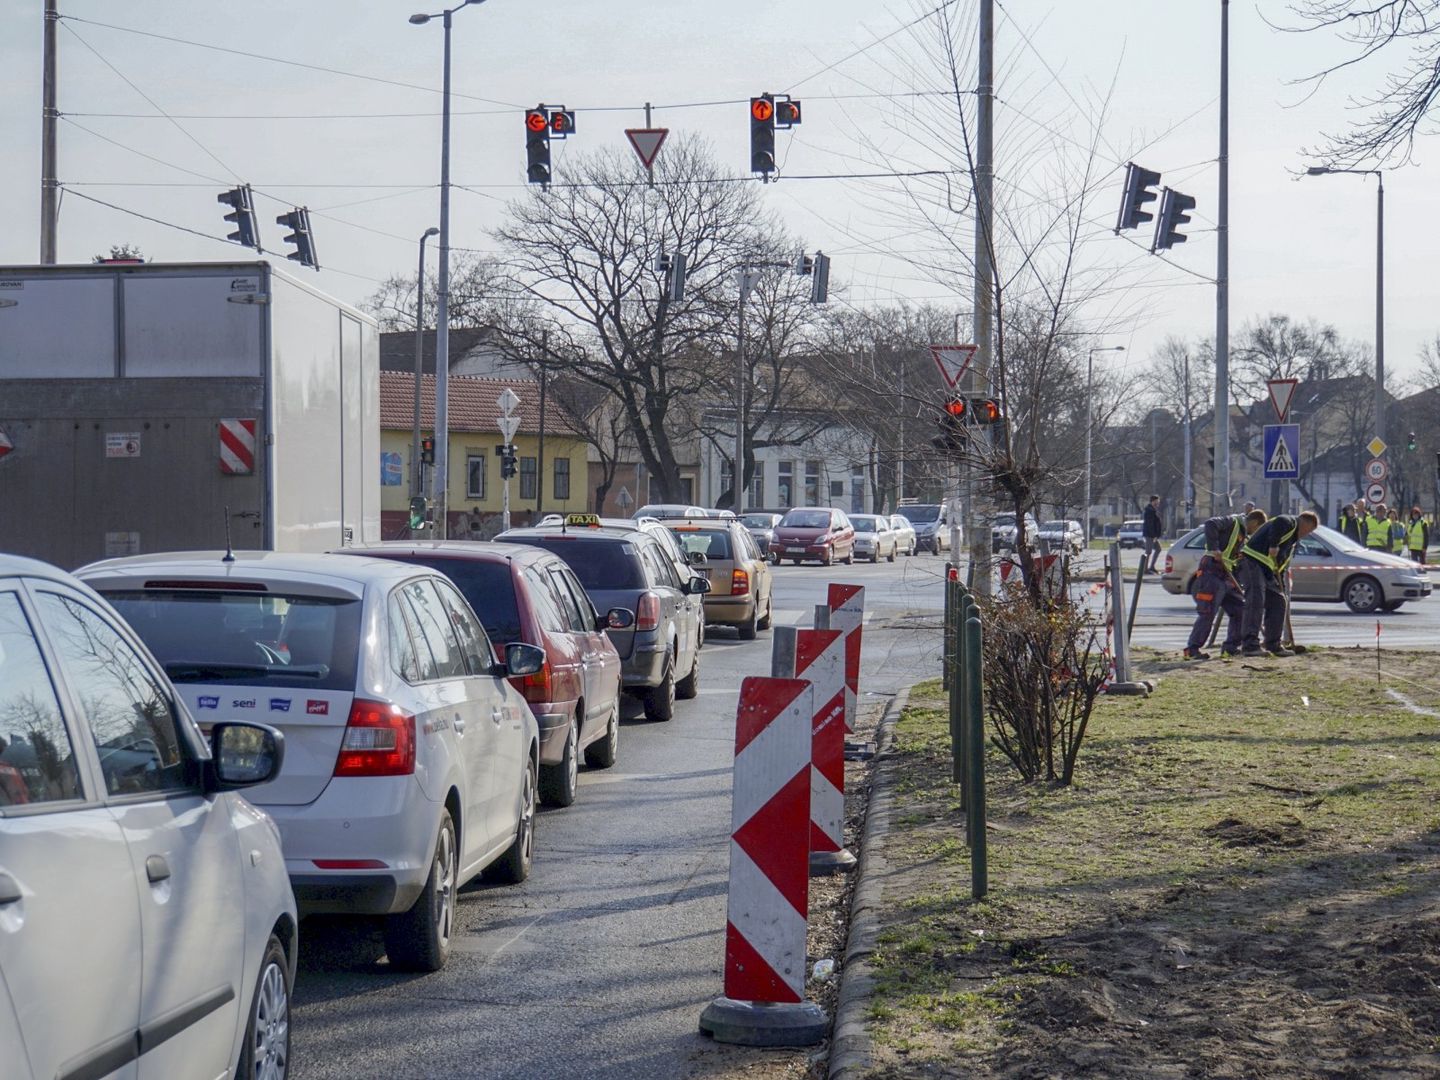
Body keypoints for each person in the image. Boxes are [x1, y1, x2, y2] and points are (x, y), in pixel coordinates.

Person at [1184, 509, 1267, 660]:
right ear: (1254, 522)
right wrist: (1214, 548)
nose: (1254, 533)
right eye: (1257, 529)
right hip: (1211, 571)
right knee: (1208, 611)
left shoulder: (1244, 536)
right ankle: (1192, 649)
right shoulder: (1232, 521)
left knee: (1240, 609)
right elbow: (1210, 524)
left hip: (1227, 575)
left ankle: (1230, 647)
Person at [1236, 510, 1319, 657]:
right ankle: (1249, 646)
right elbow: (1279, 521)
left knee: (1279, 601)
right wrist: (1273, 545)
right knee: (1256, 600)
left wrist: (1282, 590)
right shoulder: (1290, 522)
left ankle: (1273, 644)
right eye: (1310, 530)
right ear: (1306, 524)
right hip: (1252, 562)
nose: (1307, 534)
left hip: (1267, 570)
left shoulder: (1291, 543)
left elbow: (1280, 568)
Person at [1142, 494, 1164, 573]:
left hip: (1153, 535)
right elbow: (1150, 524)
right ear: (1152, 501)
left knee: (1158, 549)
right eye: (1156, 501)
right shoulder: (1149, 511)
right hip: (1150, 535)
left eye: (1158, 501)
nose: (1158, 503)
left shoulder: (1153, 510)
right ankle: (1145, 569)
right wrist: (1154, 535)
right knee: (1148, 552)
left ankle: (1151, 567)